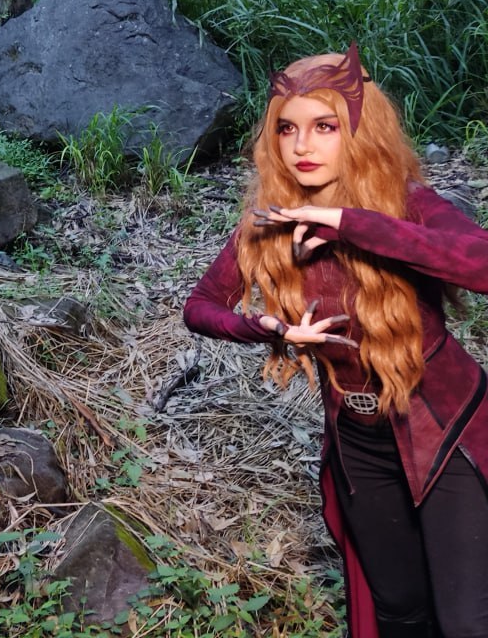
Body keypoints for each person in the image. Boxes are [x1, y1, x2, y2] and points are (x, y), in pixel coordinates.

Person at [183, 44, 488, 638]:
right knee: (398, 611)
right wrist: (265, 327)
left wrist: (350, 223)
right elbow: (200, 307)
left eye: (324, 126)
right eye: (287, 128)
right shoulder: (268, 223)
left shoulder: (407, 204)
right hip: (356, 438)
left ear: (360, 131)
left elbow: (480, 262)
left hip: (444, 425)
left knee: (467, 622)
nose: (303, 145)